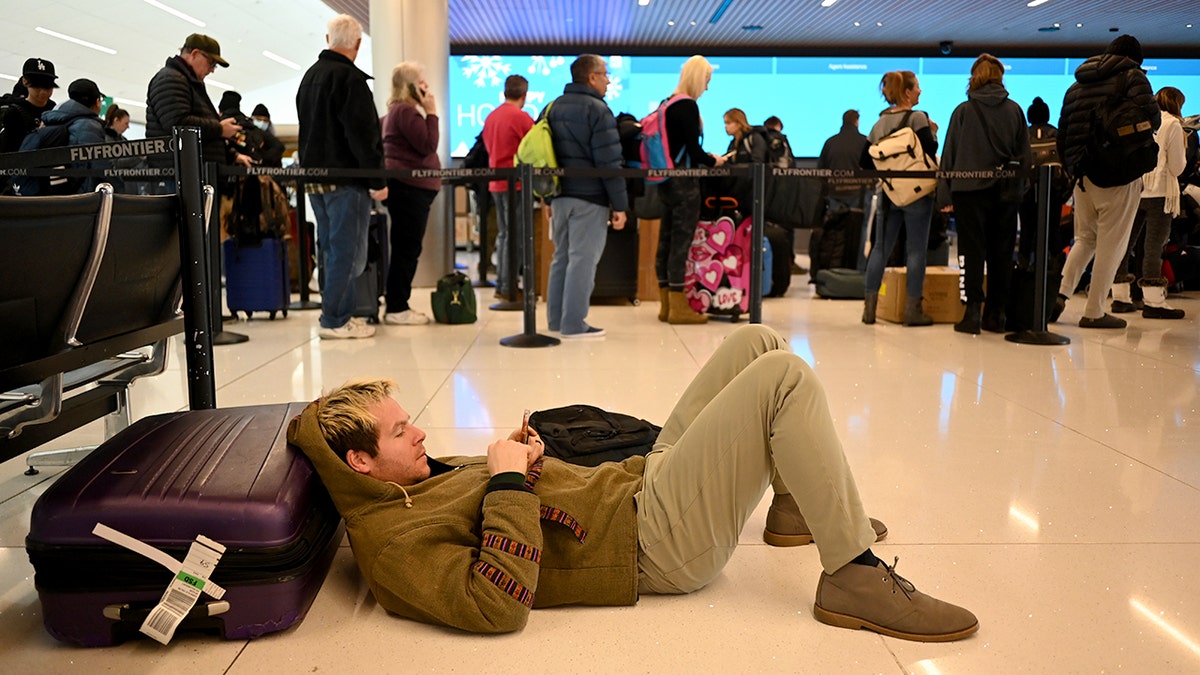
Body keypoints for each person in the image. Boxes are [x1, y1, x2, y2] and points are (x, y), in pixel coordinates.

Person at [287, 323, 975, 641]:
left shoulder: (407, 483)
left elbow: (508, 503)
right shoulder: (391, 546)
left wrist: (523, 464)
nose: (420, 433)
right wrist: (507, 484)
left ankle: (799, 512)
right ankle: (852, 572)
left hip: (637, 485)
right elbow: (494, 605)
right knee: (783, 379)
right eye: (400, 431)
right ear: (360, 463)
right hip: (651, 542)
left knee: (758, 342)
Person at [1052, 35, 1161, 329]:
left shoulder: (1076, 85)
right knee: (1112, 245)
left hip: (1083, 176)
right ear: (1134, 59)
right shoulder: (1132, 77)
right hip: (1119, 172)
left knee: (1085, 239)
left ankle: (1059, 295)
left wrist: (1073, 168)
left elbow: (1063, 131)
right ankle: (1094, 311)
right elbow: (1153, 119)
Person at [296, 14, 389, 339]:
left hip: (315, 179)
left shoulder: (310, 77)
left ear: (328, 40)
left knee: (330, 250)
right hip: (346, 180)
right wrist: (377, 180)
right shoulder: (350, 80)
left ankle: (334, 315)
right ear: (358, 44)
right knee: (348, 254)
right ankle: (336, 320)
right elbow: (363, 136)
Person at [939, 54, 1030, 335]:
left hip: (968, 192)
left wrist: (944, 195)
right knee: (1002, 253)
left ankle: (971, 313)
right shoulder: (1015, 111)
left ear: (975, 76)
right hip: (1005, 192)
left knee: (971, 252)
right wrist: (1020, 189)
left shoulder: (963, 111)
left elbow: (950, 153)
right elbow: (1024, 157)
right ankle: (996, 314)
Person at [544, 54, 629, 338]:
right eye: (605, 74)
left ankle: (556, 320)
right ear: (591, 77)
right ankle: (573, 324)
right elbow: (609, 162)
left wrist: (547, 199)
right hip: (590, 197)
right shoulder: (598, 110)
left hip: (559, 195)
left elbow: (543, 154)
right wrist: (620, 205)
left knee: (561, 258)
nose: (608, 81)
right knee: (582, 260)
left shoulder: (552, 107)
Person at [861, 71, 939, 327]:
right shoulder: (918, 118)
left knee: (881, 248)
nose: (920, 91)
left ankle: (869, 310)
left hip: (888, 192)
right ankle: (912, 311)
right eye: (917, 87)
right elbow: (930, 151)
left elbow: (865, 160)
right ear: (907, 92)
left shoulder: (879, 123)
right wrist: (933, 132)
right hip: (917, 193)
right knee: (916, 250)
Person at [656, 56, 724, 325]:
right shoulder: (687, 106)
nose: (707, 87)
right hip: (685, 182)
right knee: (680, 244)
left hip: (665, 180)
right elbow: (694, 152)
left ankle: (665, 305)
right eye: (707, 80)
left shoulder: (666, 103)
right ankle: (678, 307)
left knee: (666, 240)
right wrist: (714, 160)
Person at [1112, 87, 1188, 320]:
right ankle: (1154, 301)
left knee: (1125, 243)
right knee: (1154, 245)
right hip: (1161, 192)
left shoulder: (1144, 121)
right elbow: (1177, 167)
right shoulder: (1173, 124)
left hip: (1136, 189)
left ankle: (1120, 297)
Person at [145, 33, 253, 192]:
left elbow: (202, 133)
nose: (212, 70)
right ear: (195, 54)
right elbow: (179, 124)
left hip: (191, 174)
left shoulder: (188, 82)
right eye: (211, 63)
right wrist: (220, 129)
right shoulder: (170, 79)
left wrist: (232, 155)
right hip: (180, 176)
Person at [380, 61, 441, 326]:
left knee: (406, 247)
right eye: (421, 81)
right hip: (409, 189)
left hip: (408, 189)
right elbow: (428, 144)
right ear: (410, 86)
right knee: (407, 248)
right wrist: (432, 113)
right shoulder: (405, 111)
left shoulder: (397, 111)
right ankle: (397, 306)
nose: (426, 86)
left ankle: (397, 303)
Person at [482, 74, 535, 300]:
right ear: (524, 95)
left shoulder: (491, 117)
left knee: (504, 235)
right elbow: (533, 149)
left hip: (496, 182)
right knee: (516, 237)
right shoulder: (523, 118)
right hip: (517, 184)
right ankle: (509, 286)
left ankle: (502, 284)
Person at [36, 78, 110, 194]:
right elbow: (102, 167)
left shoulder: (52, 120)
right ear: (97, 102)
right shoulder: (88, 126)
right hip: (80, 197)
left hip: (51, 191)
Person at [818, 110, 872, 211]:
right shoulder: (865, 142)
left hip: (834, 193)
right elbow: (872, 169)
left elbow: (821, 170)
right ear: (856, 121)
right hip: (859, 193)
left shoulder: (830, 142)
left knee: (835, 220)